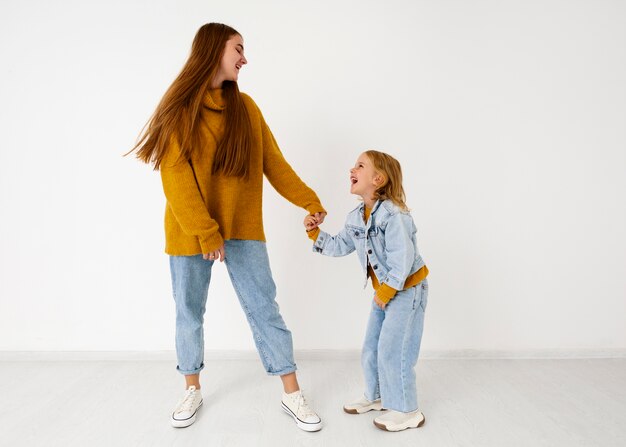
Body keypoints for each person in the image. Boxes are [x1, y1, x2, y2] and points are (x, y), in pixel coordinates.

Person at [129, 23, 326, 432]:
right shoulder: (180, 110)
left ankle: (291, 392)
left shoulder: (247, 108)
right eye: (238, 49)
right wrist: (206, 231)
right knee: (189, 312)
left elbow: (274, 163)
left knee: (264, 308)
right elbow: (176, 179)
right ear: (214, 49)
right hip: (191, 230)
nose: (244, 58)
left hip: (242, 227)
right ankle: (191, 387)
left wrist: (309, 199)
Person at [304, 150, 429, 432]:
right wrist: (315, 233)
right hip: (384, 292)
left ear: (378, 179)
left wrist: (385, 293)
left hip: (406, 290)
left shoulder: (394, 215)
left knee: (394, 350)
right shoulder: (355, 218)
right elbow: (338, 245)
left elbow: (403, 260)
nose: (352, 168)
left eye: (360, 165)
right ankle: (377, 396)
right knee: (371, 348)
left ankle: (408, 410)